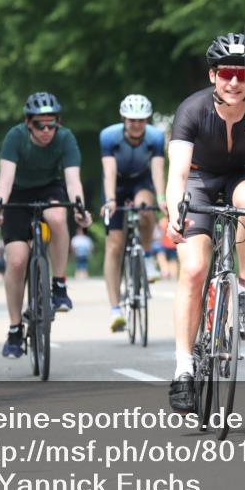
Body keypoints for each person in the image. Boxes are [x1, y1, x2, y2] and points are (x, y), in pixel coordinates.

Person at [164, 32, 245, 413]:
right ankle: (184, 369)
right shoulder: (191, 110)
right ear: (213, 77)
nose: (234, 81)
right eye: (226, 73)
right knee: (193, 270)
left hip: (243, 174)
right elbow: (176, 175)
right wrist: (174, 213)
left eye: (241, 73)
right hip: (198, 181)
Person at [0, 92, 92, 359]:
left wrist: (80, 208)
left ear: (58, 122)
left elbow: (72, 181)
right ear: (28, 123)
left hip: (49, 188)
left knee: (58, 217)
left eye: (51, 124)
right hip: (17, 193)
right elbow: (5, 180)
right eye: (39, 125)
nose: (46, 131)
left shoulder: (65, 138)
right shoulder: (15, 137)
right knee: (17, 261)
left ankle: (59, 285)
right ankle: (14, 330)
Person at [100, 94, 167, 332]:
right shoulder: (109, 136)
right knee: (114, 245)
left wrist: (161, 198)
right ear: (123, 119)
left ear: (147, 120)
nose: (136, 125)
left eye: (140, 120)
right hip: (115, 185)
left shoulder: (156, 137)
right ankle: (115, 310)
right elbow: (108, 171)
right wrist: (109, 200)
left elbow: (158, 170)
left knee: (145, 210)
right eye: (131, 120)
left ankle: (147, 258)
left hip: (141, 183)